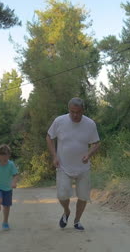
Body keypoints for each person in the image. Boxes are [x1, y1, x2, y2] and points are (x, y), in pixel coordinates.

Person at [46, 97, 100, 231]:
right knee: (62, 195)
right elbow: (49, 137)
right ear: (68, 110)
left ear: (83, 111)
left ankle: (77, 221)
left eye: (78, 112)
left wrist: (89, 154)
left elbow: (97, 143)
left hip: (83, 167)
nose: (75, 115)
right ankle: (66, 212)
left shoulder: (90, 124)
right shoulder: (59, 121)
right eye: (72, 112)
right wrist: (54, 156)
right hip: (63, 166)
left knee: (83, 196)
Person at [0, 144, 19, 231]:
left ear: (8, 156)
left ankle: (5, 222)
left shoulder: (11, 164)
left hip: (8, 188)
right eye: (0, 159)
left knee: (6, 206)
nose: (2, 162)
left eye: (5, 159)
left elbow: (16, 175)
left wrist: (14, 182)